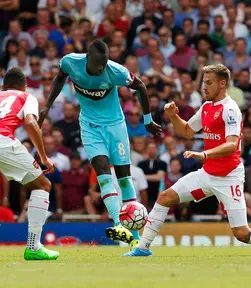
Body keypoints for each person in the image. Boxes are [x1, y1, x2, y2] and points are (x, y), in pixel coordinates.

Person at [125, 64, 251, 257]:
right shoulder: (207, 107)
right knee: (165, 197)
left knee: (242, 233)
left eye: (209, 83)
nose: (204, 87)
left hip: (229, 177)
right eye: (203, 83)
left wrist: (205, 154)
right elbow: (186, 130)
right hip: (207, 174)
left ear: (222, 84)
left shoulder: (231, 109)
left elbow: (232, 144)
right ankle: (142, 248)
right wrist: (173, 116)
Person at [37, 39, 162, 251]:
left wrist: (148, 120)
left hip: (116, 127)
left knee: (124, 179)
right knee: (103, 175)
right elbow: (59, 78)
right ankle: (118, 224)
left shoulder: (115, 71)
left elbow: (140, 85)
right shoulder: (70, 62)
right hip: (90, 126)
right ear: (88, 58)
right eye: (98, 65)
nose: (101, 69)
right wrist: (47, 106)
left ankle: (136, 238)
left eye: (104, 64)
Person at [0, 67, 58, 260]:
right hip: (3, 141)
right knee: (43, 185)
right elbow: (32, 123)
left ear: (3, 86)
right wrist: (43, 157)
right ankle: (33, 247)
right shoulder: (26, 97)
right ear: (24, 86)